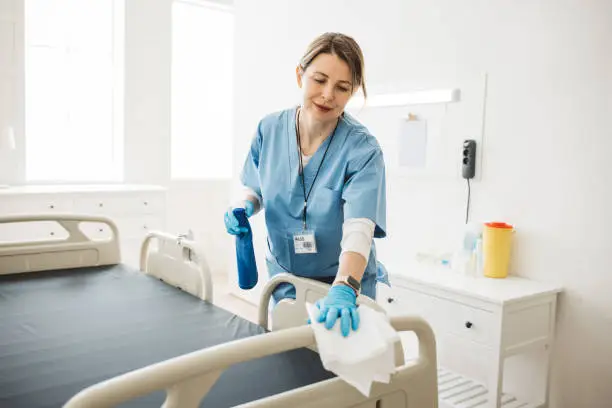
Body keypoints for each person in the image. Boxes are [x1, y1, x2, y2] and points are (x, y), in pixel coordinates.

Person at [224, 32, 387, 337]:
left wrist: (345, 287)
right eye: (319, 80)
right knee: (291, 365)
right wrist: (246, 206)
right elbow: (257, 186)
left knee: (340, 377)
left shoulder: (362, 149)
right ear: (300, 75)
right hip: (286, 279)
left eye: (342, 87)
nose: (328, 95)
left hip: (342, 284)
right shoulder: (268, 129)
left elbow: (359, 229)